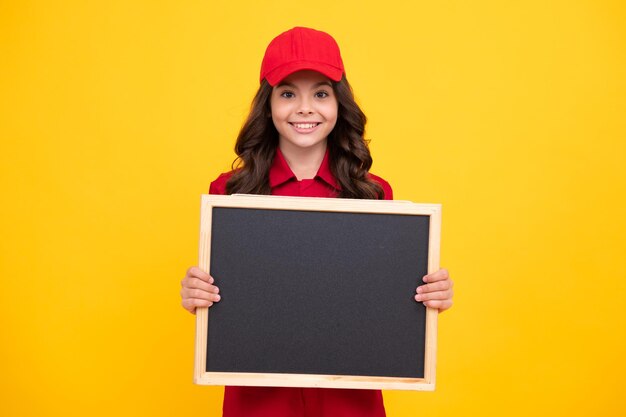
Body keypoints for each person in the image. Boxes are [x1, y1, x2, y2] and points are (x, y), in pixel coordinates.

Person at [180, 26, 454, 417]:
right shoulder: (230, 192)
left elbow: (385, 301)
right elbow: (228, 293)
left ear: (339, 104)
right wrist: (199, 294)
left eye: (321, 94)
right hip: (259, 400)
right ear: (268, 104)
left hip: (349, 400)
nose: (305, 108)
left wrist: (428, 295)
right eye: (288, 93)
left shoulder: (375, 195)